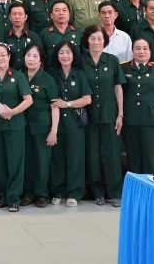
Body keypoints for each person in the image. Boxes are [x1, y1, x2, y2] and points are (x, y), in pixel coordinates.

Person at [80, 25, 125, 207]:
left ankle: (115, 193)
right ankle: (97, 192)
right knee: (93, 155)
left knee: (112, 155)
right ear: (87, 40)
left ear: (105, 41)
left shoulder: (112, 60)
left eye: (100, 38)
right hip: (88, 115)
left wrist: (120, 114)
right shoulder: (81, 61)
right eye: (93, 38)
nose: (96, 42)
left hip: (109, 114)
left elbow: (118, 87)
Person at [0, 42, 32, 213]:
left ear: (9, 56)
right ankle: (4, 196)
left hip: (15, 126)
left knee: (15, 163)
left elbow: (28, 100)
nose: (0, 58)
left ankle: (14, 198)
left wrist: (12, 112)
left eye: (3, 55)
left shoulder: (18, 76)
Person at [120, 37, 154, 175]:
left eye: (145, 48)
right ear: (132, 51)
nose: (141, 52)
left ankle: (151, 186)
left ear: (150, 51)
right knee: (133, 159)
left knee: (151, 159)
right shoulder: (123, 68)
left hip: (152, 121)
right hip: (130, 120)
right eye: (137, 48)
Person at [49, 41, 92, 207]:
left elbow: (87, 99)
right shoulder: (53, 75)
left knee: (75, 159)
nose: (65, 56)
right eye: (61, 52)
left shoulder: (80, 74)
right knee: (57, 158)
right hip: (57, 122)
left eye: (68, 52)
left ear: (73, 55)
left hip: (75, 122)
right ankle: (58, 191)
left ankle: (75, 193)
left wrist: (67, 104)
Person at [22, 43, 59, 208]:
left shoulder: (47, 79)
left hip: (43, 127)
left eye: (35, 56)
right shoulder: (20, 76)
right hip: (24, 127)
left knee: (42, 162)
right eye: (28, 55)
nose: (31, 59)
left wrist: (54, 131)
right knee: (27, 161)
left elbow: (55, 106)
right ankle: (28, 193)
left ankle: (42, 194)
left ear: (41, 60)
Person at [4, 3, 36, 71]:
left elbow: (40, 57)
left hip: (29, 74)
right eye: (14, 14)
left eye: (20, 14)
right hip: (10, 74)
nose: (17, 17)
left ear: (26, 17)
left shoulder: (33, 36)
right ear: (9, 17)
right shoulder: (4, 36)